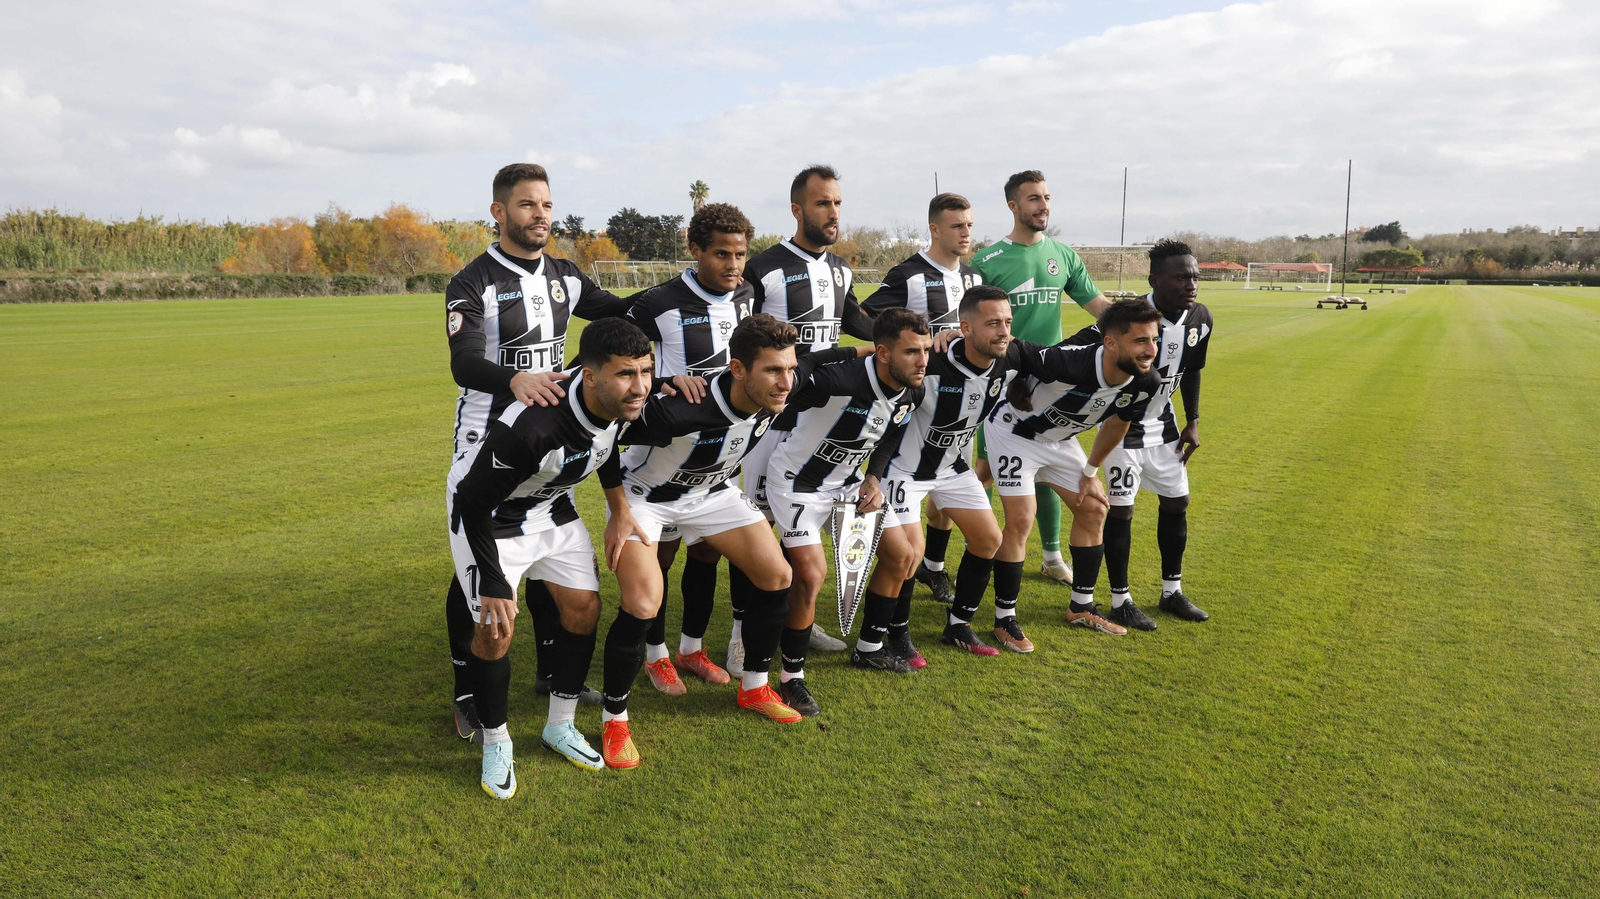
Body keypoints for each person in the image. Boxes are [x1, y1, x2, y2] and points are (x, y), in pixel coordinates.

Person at [599, 317, 869, 766]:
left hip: (712, 494)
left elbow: (827, 357)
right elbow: (604, 432)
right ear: (738, 369)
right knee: (645, 602)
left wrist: (869, 348)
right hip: (649, 499)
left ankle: (755, 688)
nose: (787, 383)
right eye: (773, 372)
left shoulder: (783, 384)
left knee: (777, 574)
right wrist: (619, 509)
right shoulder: (681, 408)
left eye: (790, 370)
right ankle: (615, 719)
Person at [444, 163, 631, 742]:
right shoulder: (471, 282)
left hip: (552, 436)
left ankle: (553, 675)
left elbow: (622, 312)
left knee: (550, 553)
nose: (541, 215)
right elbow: (463, 361)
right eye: (527, 205)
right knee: (477, 567)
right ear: (499, 212)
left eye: (546, 204)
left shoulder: (565, 276)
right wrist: (514, 380)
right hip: (488, 434)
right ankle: (466, 691)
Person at [444, 318, 654, 798]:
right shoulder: (534, 426)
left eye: (646, 370)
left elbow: (608, 449)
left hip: (551, 509)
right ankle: (496, 741)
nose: (640, 385)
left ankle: (559, 725)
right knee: (496, 627)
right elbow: (473, 502)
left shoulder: (620, 401)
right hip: (489, 517)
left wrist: (619, 509)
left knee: (584, 608)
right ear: (590, 374)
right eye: (626, 374)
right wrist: (494, 581)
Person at [734, 164, 877, 668]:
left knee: (804, 524)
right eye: (822, 203)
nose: (833, 212)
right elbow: (740, 334)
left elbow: (857, 320)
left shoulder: (840, 269)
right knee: (755, 527)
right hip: (769, 422)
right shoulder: (765, 267)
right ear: (798, 209)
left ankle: (802, 616)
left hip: (821, 421)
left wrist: (910, 334)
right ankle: (739, 634)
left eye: (837, 202)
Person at [762, 308, 930, 715]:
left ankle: (870, 648)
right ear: (883, 353)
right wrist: (846, 350)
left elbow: (889, 437)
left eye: (926, 350)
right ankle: (791, 679)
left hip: (851, 483)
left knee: (903, 554)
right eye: (911, 352)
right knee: (811, 573)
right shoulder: (838, 381)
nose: (923, 360)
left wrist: (873, 478)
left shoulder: (913, 390)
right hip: (798, 483)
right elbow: (794, 372)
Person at [624, 203, 757, 696]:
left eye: (740, 254)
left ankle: (691, 648)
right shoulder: (656, 303)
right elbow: (609, 362)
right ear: (694, 249)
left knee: (708, 557)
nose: (733, 265)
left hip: (721, 458)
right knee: (661, 558)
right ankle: (655, 655)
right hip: (661, 459)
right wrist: (660, 381)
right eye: (721, 254)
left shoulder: (747, 295)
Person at [984, 299, 1162, 647]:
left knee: (1094, 508)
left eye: (1154, 340)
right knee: (1021, 519)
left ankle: (1081, 607)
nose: (1151, 350)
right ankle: (1005, 618)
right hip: (1014, 433)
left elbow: (1116, 426)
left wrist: (1090, 471)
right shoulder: (1071, 360)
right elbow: (1018, 350)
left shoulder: (1145, 381)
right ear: (1110, 344)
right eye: (1140, 341)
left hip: (1060, 440)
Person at [970, 170, 1111, 587]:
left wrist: (1140, 322)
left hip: (1049, 383)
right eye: (1033, 198)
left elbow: (1097, 304)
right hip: (999, 381)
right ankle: (980, 549)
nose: (1043, 205)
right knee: (986, 469)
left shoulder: (1063, 255)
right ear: (1014, 206)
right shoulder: (987, 262)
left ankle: (1051, 557)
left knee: (1048, 465)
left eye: (1047, 197)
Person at [862, 192, 984, 605]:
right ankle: (902, 582)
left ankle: (933, 567)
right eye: (956, 225)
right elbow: (867, 319)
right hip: (917, 403)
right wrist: (921, 342)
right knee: (913, 481)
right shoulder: (909, 275)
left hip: (960, 405)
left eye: (969, 224)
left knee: (946, 495)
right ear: (934, 229)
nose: (966, 232)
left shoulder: (973, 279)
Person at [1101, 240, 1213, 630]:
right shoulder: (1133, 318)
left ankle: (1171, 592)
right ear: (1154, 280)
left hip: (1164, 429)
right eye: (1181, 277)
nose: (1191, 284)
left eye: (1195, 276)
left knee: (1177, 502)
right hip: (1122, 429)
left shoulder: (1201, 318)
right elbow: (1086, 349)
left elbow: (1192, 369)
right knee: (1121, 510)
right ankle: (1120, 600)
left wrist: (1193, 419)